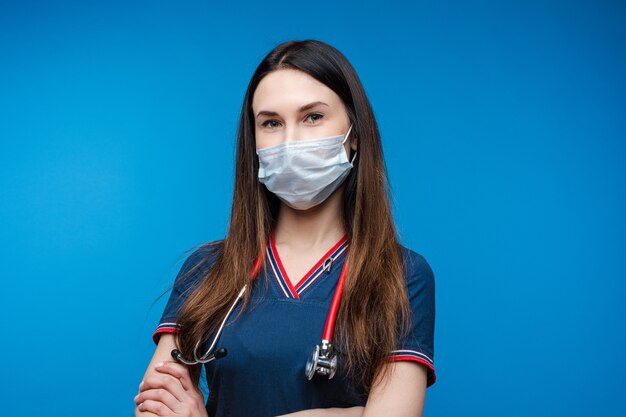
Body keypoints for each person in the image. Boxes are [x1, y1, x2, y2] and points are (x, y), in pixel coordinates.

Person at [134, 39, 436, 417]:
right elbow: (155, 407)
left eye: (312, 117)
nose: (291, 141)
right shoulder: (206, 269)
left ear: (354, 135)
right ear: (254, 140)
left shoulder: (402, 276)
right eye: (271, 123)